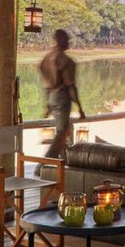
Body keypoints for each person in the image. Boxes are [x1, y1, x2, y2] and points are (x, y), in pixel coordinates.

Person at [40, 29, 86, 159]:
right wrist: (80, 108)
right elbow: (71, 85)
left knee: (62, 131)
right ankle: (44, 163)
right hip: (61, 97)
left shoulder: (47, 57)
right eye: (67, 40)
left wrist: (47, 106)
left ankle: (63, 161)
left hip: (51, 97)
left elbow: (46, 82)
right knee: (62, 132)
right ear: (60, 41)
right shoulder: (65, 60)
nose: (68, 42)